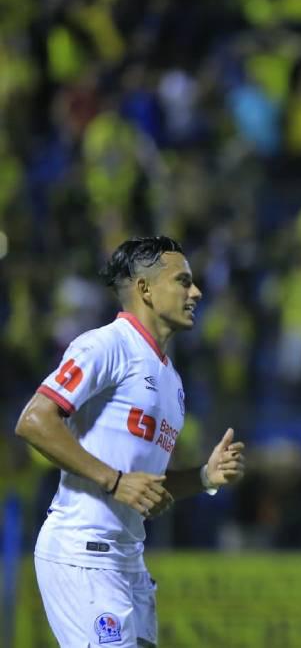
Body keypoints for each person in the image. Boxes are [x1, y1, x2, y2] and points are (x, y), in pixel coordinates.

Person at [14, 236, 246, 648]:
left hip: (127, 562)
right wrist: (115, 481)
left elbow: (146, 487)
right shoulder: (106, 345)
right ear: (145, 289)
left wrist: (205, 476)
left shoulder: (171, 381)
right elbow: (34, 420)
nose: (196, 292)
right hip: (81, 553)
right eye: (183, 281)